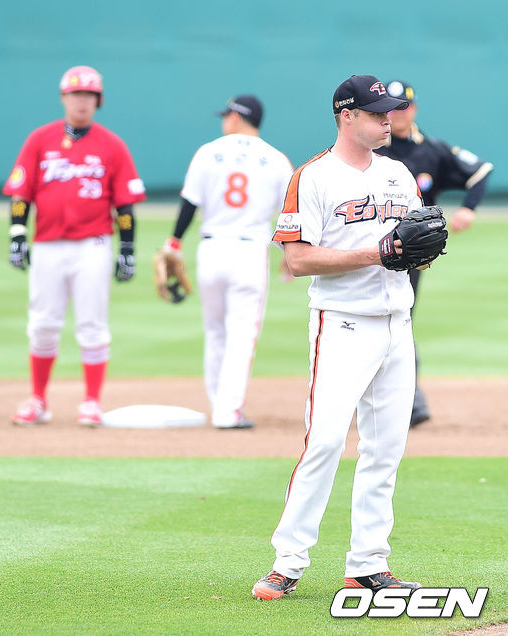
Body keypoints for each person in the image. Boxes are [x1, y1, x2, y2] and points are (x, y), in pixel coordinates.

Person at [252, 74, 425, 600]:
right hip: (343, 323)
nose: (388, 120)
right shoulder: (313, 177)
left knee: (386, 449)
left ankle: (368, 564)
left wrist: (420, 251)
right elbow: (298, 259)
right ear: (347, 116)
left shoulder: (399, 174)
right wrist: (378, 253)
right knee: (324, 441)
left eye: (390, 111)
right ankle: (287, 562)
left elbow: (412, 249)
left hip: (398, 323)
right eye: (377, 113)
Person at [4, 65, 146, 427]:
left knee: (92, 324)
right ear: (63, 98)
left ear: (98, 100)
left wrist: (127, 249)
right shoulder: (40, 139)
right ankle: (38, 400)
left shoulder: (112, 144)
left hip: (93, 245)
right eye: (75, 94)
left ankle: (92, 401)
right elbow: (21, 193)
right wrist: (17, 235)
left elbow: (124, 205)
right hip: (48, 245)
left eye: (88, 95)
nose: (81, 101)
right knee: (42, 324)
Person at [161, 95, 293, 429]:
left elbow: (189, 204)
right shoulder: (276, 159)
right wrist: (290, 252)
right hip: (249, 253)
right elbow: (290, 213)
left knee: (215, 332)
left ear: (236, 117)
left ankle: (218, 402)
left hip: (211, 249)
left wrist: (174, 243)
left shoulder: (208, 152)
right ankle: (228, 410)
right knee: (242, 334)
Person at [377, 79, 493, 427]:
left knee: (400, 318)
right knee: (368, 319)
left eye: (404, 106)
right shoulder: (372, 148)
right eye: (393, 107)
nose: (399, 113)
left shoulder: (432, 150)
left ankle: (410, 402)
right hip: (367, 246)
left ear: (413, 108)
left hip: (410, 254)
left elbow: (480, 170)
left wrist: (469, 208)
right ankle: (380, 397)